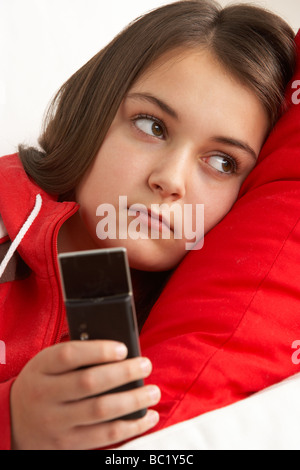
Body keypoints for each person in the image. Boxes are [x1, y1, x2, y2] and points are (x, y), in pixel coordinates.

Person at [0, 0, 296, 450]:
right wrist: (13, 420)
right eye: (151, 125)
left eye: (221, 162)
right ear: (93, 106)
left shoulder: (190, 325)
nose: (170, 180)